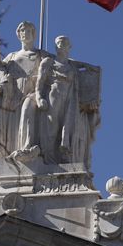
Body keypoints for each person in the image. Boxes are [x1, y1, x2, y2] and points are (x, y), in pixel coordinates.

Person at [4, 21, 52, 160]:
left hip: (34, 93)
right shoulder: (11, 56)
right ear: (18, 35)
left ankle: (27, 147)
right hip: (15, 94)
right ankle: (13, 151)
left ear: (34, 34)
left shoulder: (41, 54)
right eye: (22, 31)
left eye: (28, 30)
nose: (25, 33)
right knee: (14, 124)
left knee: (26, 110)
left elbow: (60, 63)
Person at [36, 36, 80, 164]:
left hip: (69, 98)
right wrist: (39, 97)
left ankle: (62, 156)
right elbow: (40, 81)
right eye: (59, 43)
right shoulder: (49, 62)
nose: (62, 45)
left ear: (69, 47)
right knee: (51, 127)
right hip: (53, 95)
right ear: (55, 47)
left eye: (65, 43)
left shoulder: (72, 67)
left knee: (66, 127)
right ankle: (48, 158)